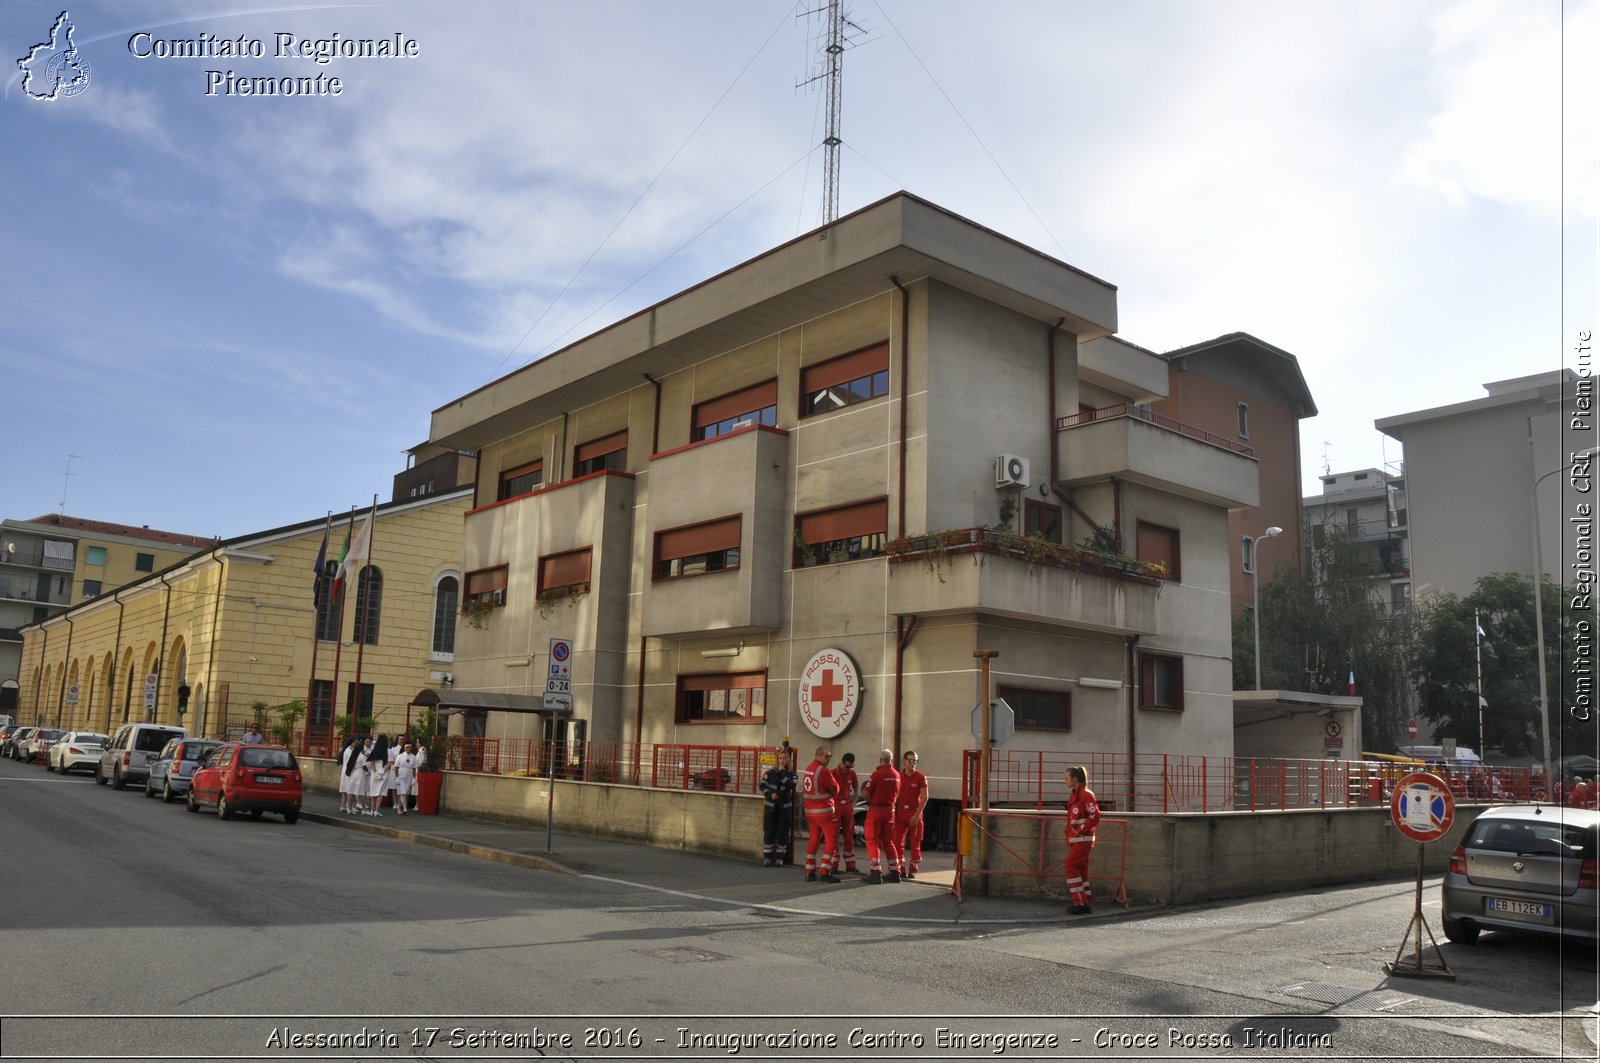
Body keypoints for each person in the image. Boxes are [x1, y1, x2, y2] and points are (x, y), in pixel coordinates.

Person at [800, 745, 841, 883]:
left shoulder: (808, 769)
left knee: (814, 840)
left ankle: (809, 871)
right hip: (824, 812)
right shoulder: (823, 771)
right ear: (819, 755)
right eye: (826, 756)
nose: (829, 759)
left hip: (810, 812)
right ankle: (825, 871)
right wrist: (830, 794)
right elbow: (836, 789)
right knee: (831, 840)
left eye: (830, 756)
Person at [1063, 764, 1101, 914]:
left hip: (1082, 839)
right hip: (1077, 840)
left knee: (1070, 867)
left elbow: (1095, 816)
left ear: (1075, 779)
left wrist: (1079, 830)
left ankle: (1079, 903)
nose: (1065, 781)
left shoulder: (1086, 795)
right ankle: (1086, 902)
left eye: (1067, 778)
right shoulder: (1075, 795)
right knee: (1081, 870)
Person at [861, 748, 901, 884]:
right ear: (891, 760)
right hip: (890, 811)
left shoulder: (877, 774)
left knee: (872, 840)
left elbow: (866, 793)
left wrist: (869, 798)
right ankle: (895, 872)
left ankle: (876, 872)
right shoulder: (896, 774)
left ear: (880, 760)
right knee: (888, 841)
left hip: (876, 810)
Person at [758, 746, 798, 866]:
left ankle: (780, 858)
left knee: (782, 832)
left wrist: (782, 771)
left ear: (788, 760)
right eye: (780, 758)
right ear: (777, 759)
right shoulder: (769, 773)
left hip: (784, 809)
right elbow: (762, 786)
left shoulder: (792, 774)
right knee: (769, 831)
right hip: (771, 808)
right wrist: (770, 794)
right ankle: (768, 858)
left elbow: (790, 785)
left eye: (784, 758)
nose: (782, 760)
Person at [895, 750, 929, 879]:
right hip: (900, 814)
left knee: (915, 842)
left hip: (914, 813)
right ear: (904, 761)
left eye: (915, 761)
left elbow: (925, 797)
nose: (913, 763)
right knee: (897, 841)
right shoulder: (898, 776)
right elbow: (894, 795)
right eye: (911, 760)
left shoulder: (921, 777)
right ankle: (901, 868)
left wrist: (917, 815)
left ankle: (913, 868)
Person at [832, 752, 860, 872]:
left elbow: (856, 790)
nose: (849, 769)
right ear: (842, 762)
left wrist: (852, 804)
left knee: (849, 835)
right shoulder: (833, 773)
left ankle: (850, 864)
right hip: (836, 805)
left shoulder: (852, 774)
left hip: (847, 806)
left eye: (851, 767)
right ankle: (833, 864)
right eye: (847, 766)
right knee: (834, 835)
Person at [365, 734, 390, 816]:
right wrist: (382, 772)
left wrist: (375, 772)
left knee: (373, 792)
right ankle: (376, 811)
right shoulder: (388, 751)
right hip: (383, 774)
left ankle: (372, 811)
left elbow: (371, 762)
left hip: (374, 774)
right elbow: (389, 763)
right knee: (380, 793)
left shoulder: (374, 750)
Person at [337, 735, 362, 814]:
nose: (357, 744)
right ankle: (346, 806)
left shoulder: (352, 749)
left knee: (347, 789)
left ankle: (345, 806)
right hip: (348, 771)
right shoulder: (349, 750)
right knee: (348, 790)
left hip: (348, 771)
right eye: (356, 742)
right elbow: (351, 762)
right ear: (352, 742)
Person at [391, 741, 417, 816]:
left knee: (404, 793)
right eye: (407, 747)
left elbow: (414, 768)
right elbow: (396, 767)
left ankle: (399, 807)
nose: (408, 749)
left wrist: (414, 778)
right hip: (401, 776)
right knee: (403, 792)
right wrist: (397, 777)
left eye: (409, 747)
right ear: (405, 748)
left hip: (408, 776)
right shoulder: (400, 756)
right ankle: (405, 808)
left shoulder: (413, 757)